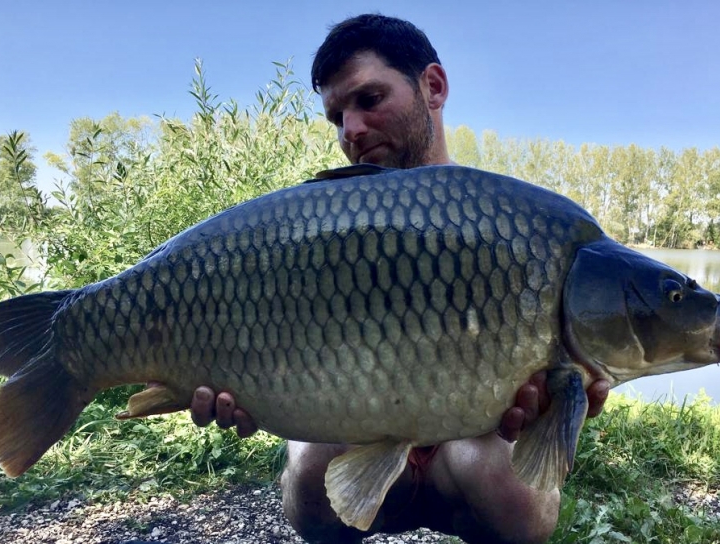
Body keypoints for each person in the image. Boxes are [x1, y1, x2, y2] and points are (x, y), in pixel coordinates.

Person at [186, 14, 610, 544]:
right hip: (355, 430)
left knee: (515, 502)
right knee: (311, 479)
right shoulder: (322, 229)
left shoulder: (510, 223)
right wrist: (243, 388)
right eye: (337, 116)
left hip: (467, 446)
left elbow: (548, 427)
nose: (351, 130)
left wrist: (556, 405)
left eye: (369, 99)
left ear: (432, 86)